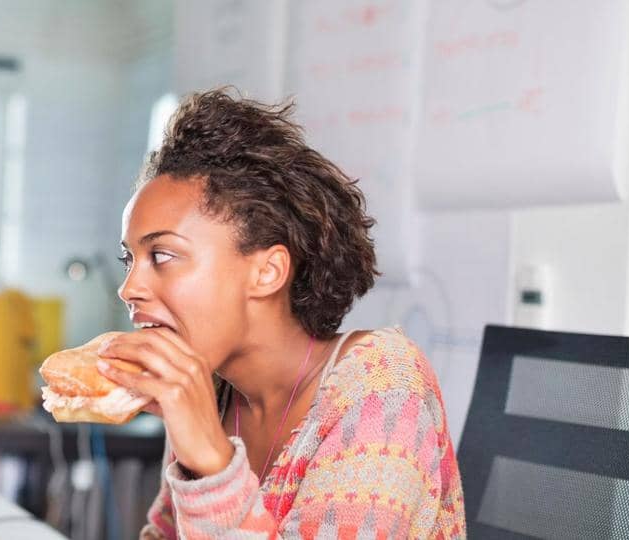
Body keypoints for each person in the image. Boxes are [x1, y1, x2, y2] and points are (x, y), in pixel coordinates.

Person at [95, 90, 466, 538]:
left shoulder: (383, 384)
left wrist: (212, 461)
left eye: (163, 255)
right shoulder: (208, 389)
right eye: (129, 260)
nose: (129, 288)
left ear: (267, 271)